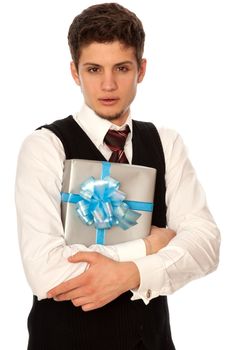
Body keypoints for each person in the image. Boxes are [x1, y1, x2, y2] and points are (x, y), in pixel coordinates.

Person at [15, 3, 220, 350]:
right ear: (74, 72)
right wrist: (149, 247)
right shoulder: (45, 146)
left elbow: (205, 244)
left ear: (141, 69)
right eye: (94, 69)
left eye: (121, 68)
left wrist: (132, 274)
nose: (108, 84)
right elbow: (44, 271)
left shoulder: (166, 142)